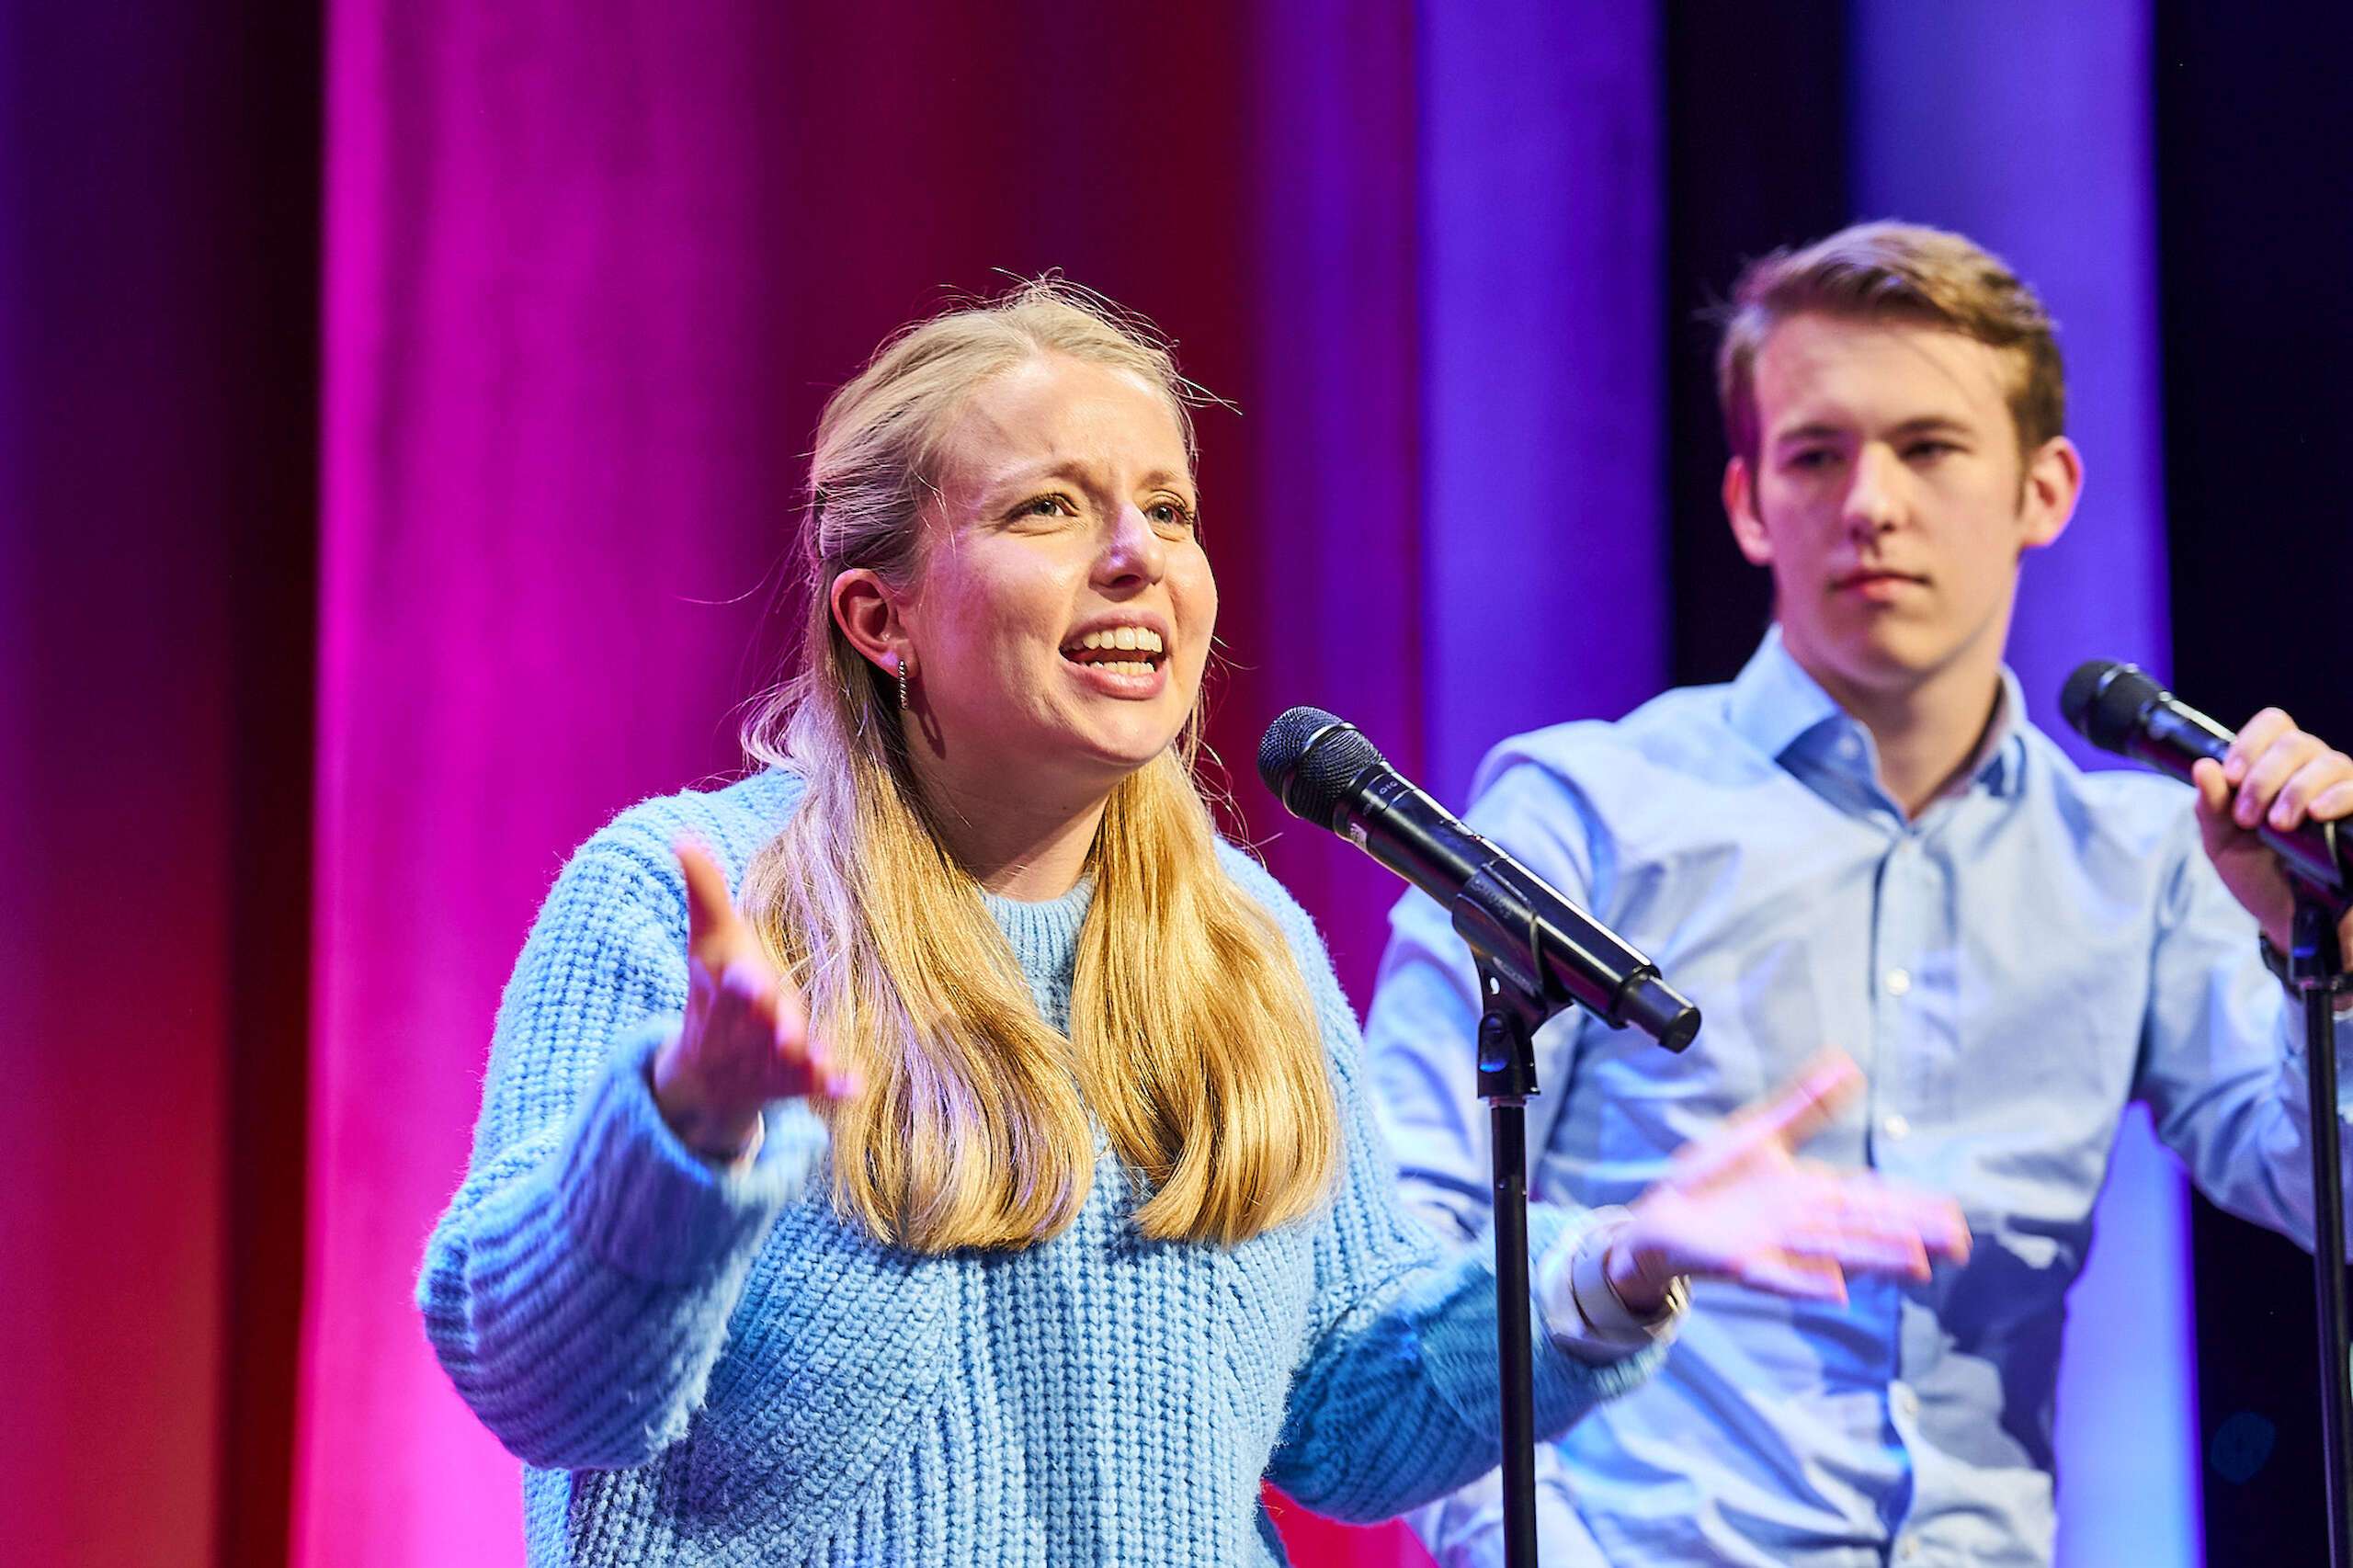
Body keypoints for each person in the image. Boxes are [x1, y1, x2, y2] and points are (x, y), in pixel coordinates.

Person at [416, 279, 1968, 1566]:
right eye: (1047, 508)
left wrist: (1611, 1265)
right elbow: (542, 1385)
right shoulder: (689, 904)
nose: (1137, 555)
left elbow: (1346, 1417)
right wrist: (685, 1126)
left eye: (1168, 505)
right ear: (878, 617)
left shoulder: (1245, 941)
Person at [1367, 219, 2353, 1568]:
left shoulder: (2140, 857)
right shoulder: (1577, 812)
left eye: (1930, 448)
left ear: (2046, 490)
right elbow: (1400, 1260)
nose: (1871, 502)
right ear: (1747, 504)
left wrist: (2331, 958)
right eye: (1817, 455)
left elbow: (2327, 1199)